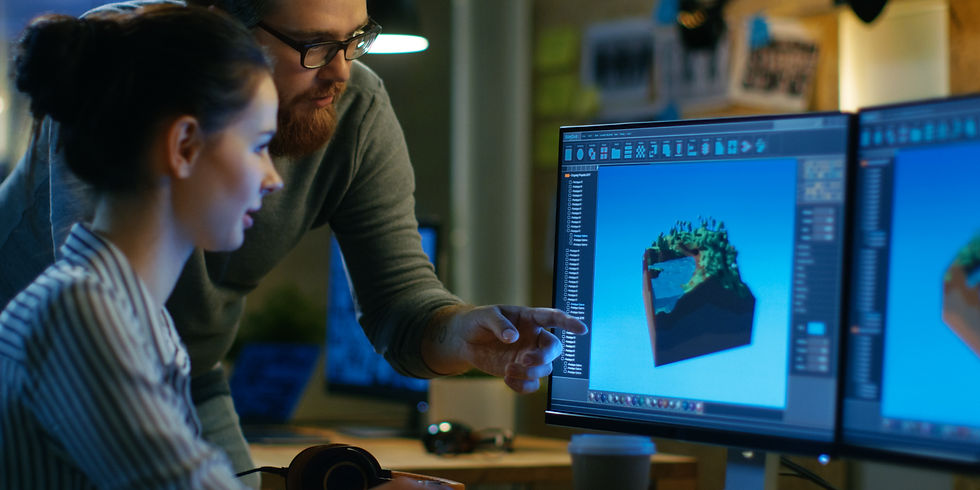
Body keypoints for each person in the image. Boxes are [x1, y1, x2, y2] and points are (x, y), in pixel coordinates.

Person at [0, 0, 589, 481]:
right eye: (314, 45)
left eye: (356, 39)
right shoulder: (134, 76)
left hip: (171, 370)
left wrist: (461, 332)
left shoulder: (135, 320)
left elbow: (401, 301)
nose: (342, 70)